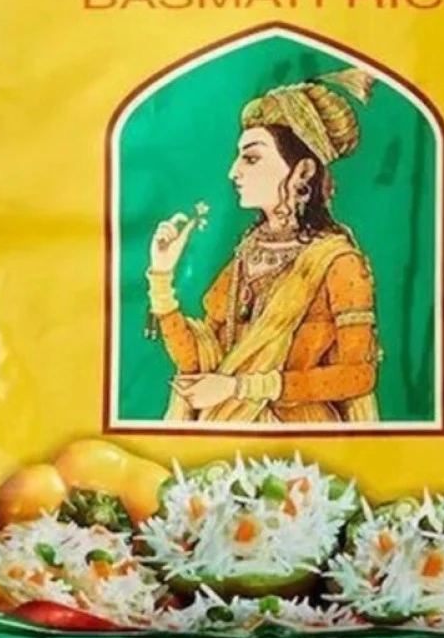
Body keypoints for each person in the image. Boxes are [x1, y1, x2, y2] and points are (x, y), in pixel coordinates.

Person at [146, 69, 380, 424]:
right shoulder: (247, 253)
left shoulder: (337, 262)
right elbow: (198, 362)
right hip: (228, 429)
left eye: (251, 158)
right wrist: (162, 276)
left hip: (304, 437)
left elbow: (358, 376)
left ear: (303, 172)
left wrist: (240, 387)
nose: (233, 172)